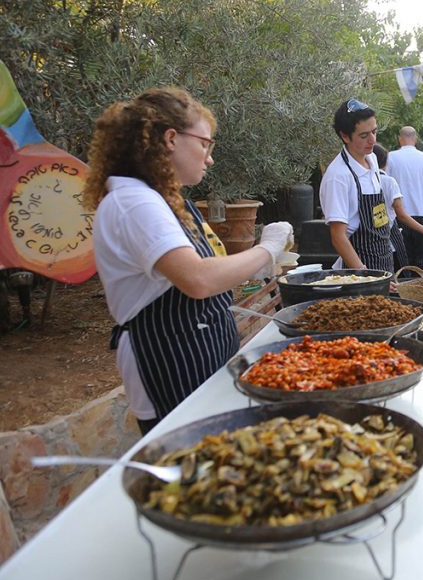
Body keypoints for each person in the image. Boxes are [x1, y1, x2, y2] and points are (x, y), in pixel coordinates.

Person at [84, 87, 293, 435]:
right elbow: (197, 279)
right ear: (170, 138)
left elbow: (210, 272)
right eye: (205, 144)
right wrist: (266, 250)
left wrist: (261, 259)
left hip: (198, 350)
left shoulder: (165, 199)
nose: (209, 157)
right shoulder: (135, 202)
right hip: (167, 359)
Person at [320, 99, 393, 273]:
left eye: (374, 132)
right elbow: (338, 237)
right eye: (364, 135)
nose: (372, 140)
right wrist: (364, 274)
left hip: (383, 260)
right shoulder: (338, 177)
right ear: (345, 136)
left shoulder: (372, 160)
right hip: (358, 270)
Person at [373, 143, 423, 273]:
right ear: (386, 163)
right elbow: (401, 215)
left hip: (372, 238)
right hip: (392, 231)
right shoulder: (388, 182)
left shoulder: (361, 180)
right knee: (412, 268)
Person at [387, 126, 423, 271]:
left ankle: (401, 292)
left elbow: (386, 185)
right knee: (421, 262)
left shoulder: (391, 157)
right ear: (415, 139)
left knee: (401, 263)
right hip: (422, 216)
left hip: (399, 216)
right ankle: (419, 291)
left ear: (399, 139)